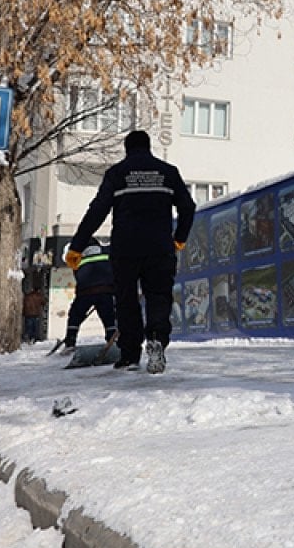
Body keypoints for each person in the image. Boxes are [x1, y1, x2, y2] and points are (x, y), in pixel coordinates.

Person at [66, 130, 195, 373]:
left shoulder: (117, 174)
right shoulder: (168, 172)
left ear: (127, 149)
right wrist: (179, 238)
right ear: (148, 147)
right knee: (158, 297)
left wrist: (77, 246)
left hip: (126, 250)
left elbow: (97, 211)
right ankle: (156, 339)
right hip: (159, 248)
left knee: (126, 301)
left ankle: (130, 355)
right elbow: (188, 207)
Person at [59, 238, 118, 353]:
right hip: (105, 291)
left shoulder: (77, 257)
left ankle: (70, 342)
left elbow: (75, 271)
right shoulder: (106, 251)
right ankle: (112, 341)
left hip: (84, 293)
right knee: (109, 317)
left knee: (75, 316)